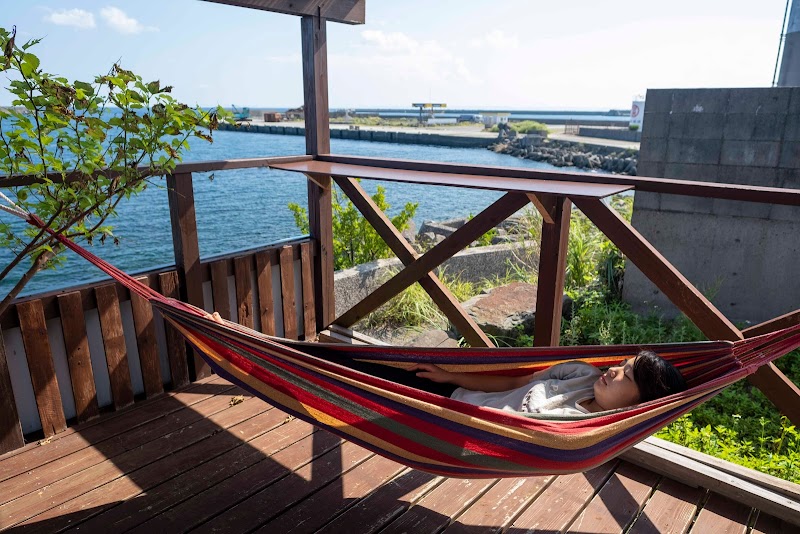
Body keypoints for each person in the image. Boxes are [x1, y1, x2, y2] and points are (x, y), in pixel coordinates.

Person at [410, 350, 687, 415]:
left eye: (625, 375)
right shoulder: (582, 374)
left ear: (638, 404)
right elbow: (514, 382)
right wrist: (449, 376)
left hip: (456, 429)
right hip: (451, 396)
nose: (613, 370)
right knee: (372, 377)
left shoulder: (582, 431)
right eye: (621, 365)